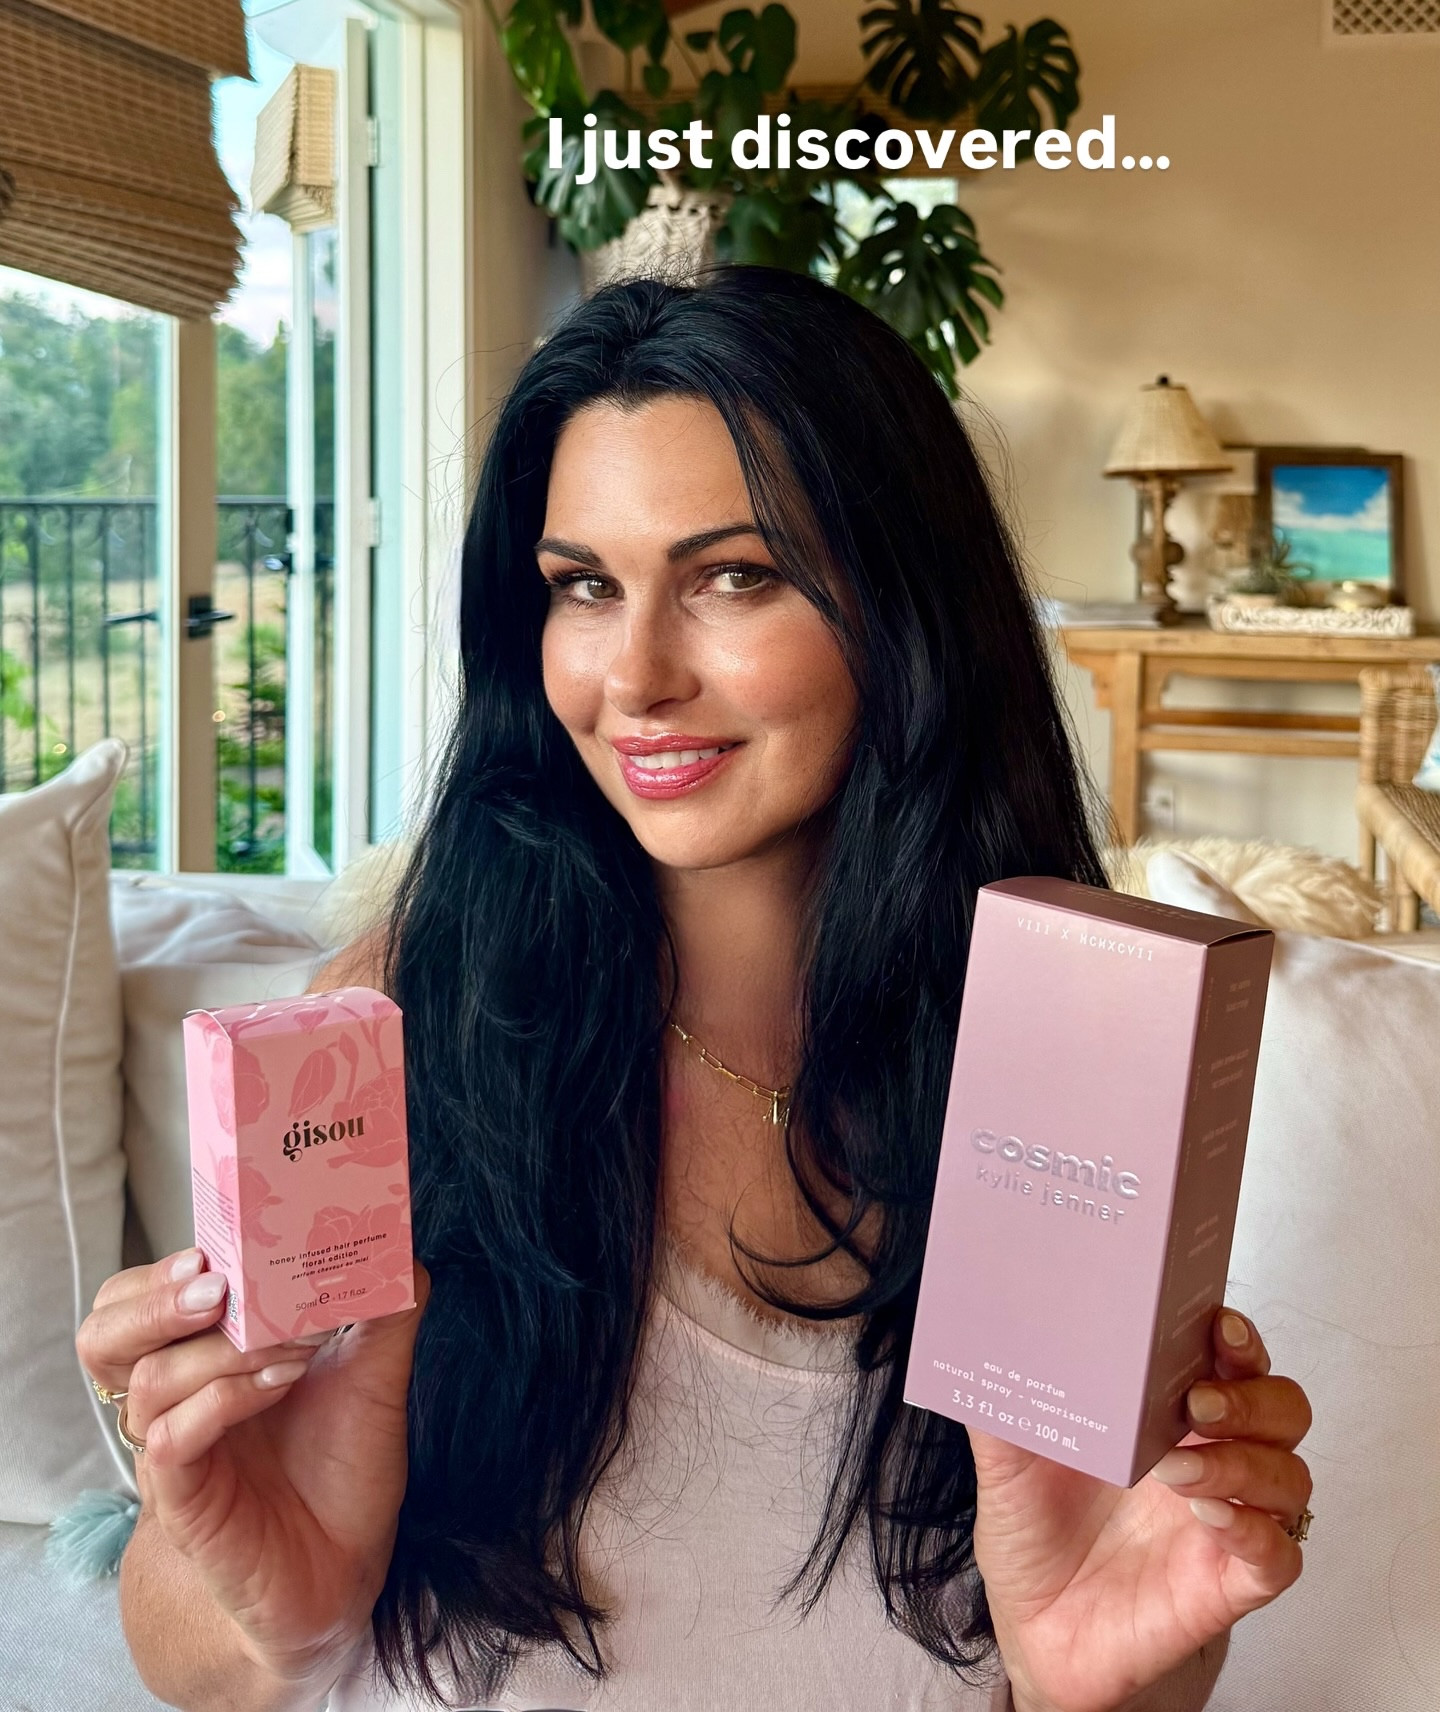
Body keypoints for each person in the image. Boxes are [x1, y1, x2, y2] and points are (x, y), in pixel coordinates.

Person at [77, 268, 1312, 1712]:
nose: (636, 676)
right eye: (583, 586)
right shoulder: (388, 1031)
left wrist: (1097, 1683)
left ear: (905, 605)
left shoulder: (1075, 1062)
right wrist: (253, 1589)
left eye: (736, 576)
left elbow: (1110, 1643)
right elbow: (205, 1661)